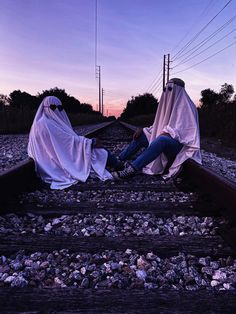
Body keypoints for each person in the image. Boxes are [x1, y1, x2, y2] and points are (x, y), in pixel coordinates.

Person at [112, 78, 201, 180]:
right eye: (165, 89)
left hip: (180, 146)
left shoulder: (188, 107)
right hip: (163, 139)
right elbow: (158, 126)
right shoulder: (166, 105)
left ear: (179, 89)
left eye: (170, 89)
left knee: (162, 139)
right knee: (142, 136)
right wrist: (143, 130)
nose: (167, 92)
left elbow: (188, 133)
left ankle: (131, 170)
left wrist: (168, 134)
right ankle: (118, 160)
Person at [28, 96, 120, 189]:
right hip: (56, 161)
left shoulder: (44, 122)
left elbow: (63, 142)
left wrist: (87, 143)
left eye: (59, 108)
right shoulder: (45, 123)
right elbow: (65, 142)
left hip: (57, 157)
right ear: (45, 108)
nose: (56, 110)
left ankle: (119, 162)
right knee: (98, 151)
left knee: (94, 151)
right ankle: (118, 164)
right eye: (52, 107)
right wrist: (90, 142)